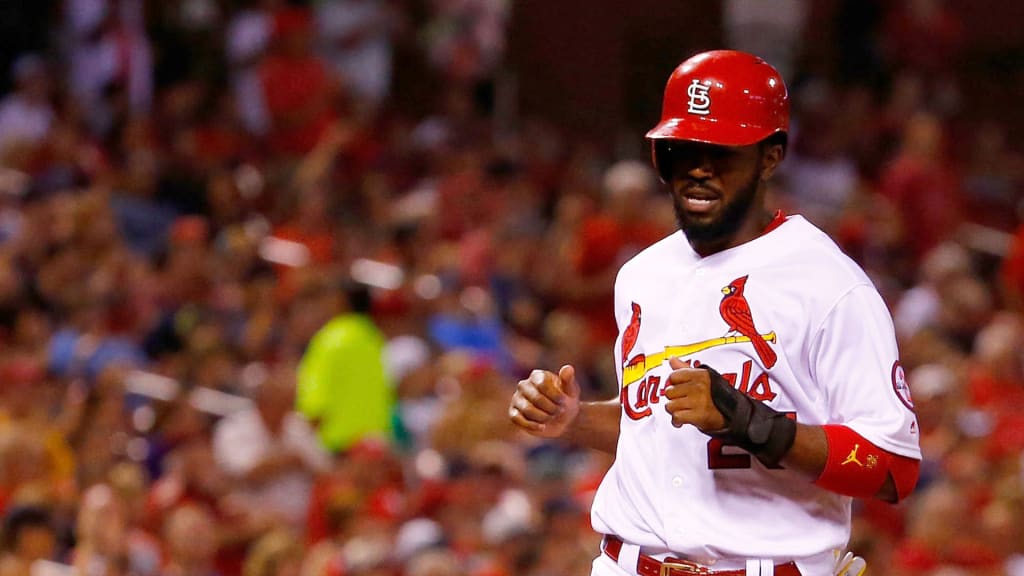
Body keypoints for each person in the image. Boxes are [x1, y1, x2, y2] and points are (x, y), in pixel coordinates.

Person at [508, 50, 921, 576]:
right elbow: (655, 433)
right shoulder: (642, 275)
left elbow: (893, 468)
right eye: (684, 148)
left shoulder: (829, 284)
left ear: (770, 157)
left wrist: (748, 421)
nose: (699, 168)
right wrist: (573, 419)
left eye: (721, 151)